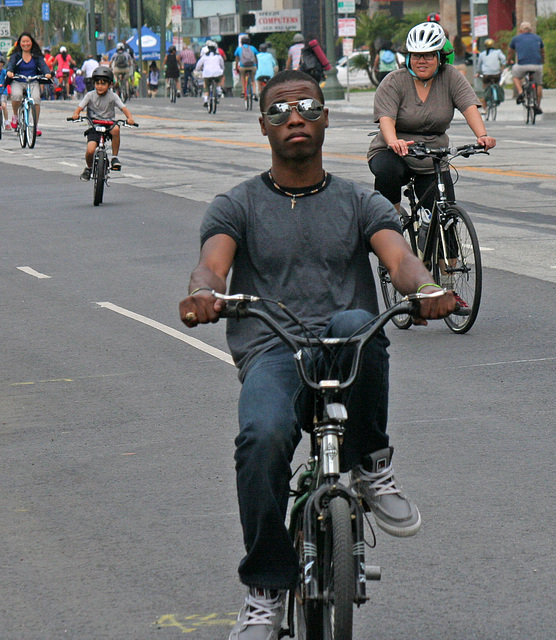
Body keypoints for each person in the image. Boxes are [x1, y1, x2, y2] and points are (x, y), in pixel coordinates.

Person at [179, 69, 459, 640]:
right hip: (273, 350)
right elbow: (212, 262)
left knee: (361, 321)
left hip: (343, 347)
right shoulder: (238, 204)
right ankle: (265, 592)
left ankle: (371, 463)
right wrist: (204, 292)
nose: (296, 117)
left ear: (326, 117)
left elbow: (399, 258)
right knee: (260, 439)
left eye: (307, 105)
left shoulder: (358, 201)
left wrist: (425, 289)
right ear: (264, 126)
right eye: (280, 110)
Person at [367, 21, 496, 290]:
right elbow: (386, 119)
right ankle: (390, 225)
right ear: (408, 57)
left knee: (445, 210)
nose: (421, 60)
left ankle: (449, 283)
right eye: (416, 55)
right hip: (395, 151)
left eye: (428, 55)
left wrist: (482, 135)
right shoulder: (394, 81)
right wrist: (394, 142)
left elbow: (469, 105)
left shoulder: (450, 77)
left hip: (432, 154)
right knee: (386, 171)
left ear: (439, 57)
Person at [71, 66, 135, 181]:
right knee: (90, 149)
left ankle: (114, 157)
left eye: (103, 84)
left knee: (116, 129)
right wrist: (76, 114)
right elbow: (80, 107)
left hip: (108, 124)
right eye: (97, 83)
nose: (99, 87)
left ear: (110, 84)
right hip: (94, 125)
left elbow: (123, 108)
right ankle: (88, 168)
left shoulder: (113, 96)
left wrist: (129, 117)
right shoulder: (90, 95)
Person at [5, 32, 52, 133]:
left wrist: (47, 73)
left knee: (36, 100)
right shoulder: (16, 55)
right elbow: (11, 65)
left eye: (28, 41)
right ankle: (15, 116)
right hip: (18, 80)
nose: (25, 44)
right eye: (23, 42)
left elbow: (43, 65)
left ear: (31, 42)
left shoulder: (36, 56)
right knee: (16, 95)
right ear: (19, 43)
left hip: (32, 81)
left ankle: (35, 125)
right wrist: (9, 72)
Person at [508, 21, 544, 114]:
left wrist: (508, 61)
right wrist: (542, 61)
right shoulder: (538, 38)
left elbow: (510, 52)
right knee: (539, 84)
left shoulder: (516, 39)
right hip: (537, 65)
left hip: (522, 65)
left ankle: (520, 92)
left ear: (520, 30)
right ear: (531, 30)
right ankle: (538, 106)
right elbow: (542, 51)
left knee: (515, 76)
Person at [477, 38, 506, 112]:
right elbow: (504, 60)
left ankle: (484, 108)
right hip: (496, 74)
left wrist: (479, 73)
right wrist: (502, 68)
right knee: (497, 84)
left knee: (485, 88)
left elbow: (479, 66)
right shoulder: (498, 52)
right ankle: (496, 96)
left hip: (486, 75)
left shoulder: (482, 54)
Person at [195, 40, 224, 107]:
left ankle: (205, 99)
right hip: (217, 73)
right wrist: (222, 70)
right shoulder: (218, 56)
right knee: (218, 81)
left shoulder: (204, 56)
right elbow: (222, 65)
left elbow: (198, 65)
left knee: (206, 85)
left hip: (207, 74)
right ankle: (219, 91)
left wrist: (198, 70)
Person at [0, 57, 11, 129]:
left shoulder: (4, 72)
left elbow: (8, 76)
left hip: (3, 91)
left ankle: (6, 122)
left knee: (3, 106)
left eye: (1, 66)